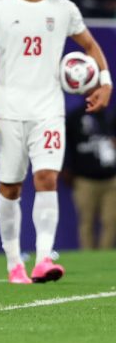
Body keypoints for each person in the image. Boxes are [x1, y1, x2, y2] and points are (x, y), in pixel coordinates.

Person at [0, 0, 112, 285]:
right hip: (7, 110)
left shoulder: (64, 9)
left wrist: (106, 82)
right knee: (10, 188)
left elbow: (91, 46)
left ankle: (44, 258)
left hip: (49, 110)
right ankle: (14, 262)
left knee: (46, 178)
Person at [63, 104, 116, 249]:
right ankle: (88, 256)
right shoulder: (75, 117)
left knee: (111, 220)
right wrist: (66, 168)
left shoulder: (110, 116)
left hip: (111, 179)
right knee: (86, 221)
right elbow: (66, 144)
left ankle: (104, 256)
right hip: (84, 180)